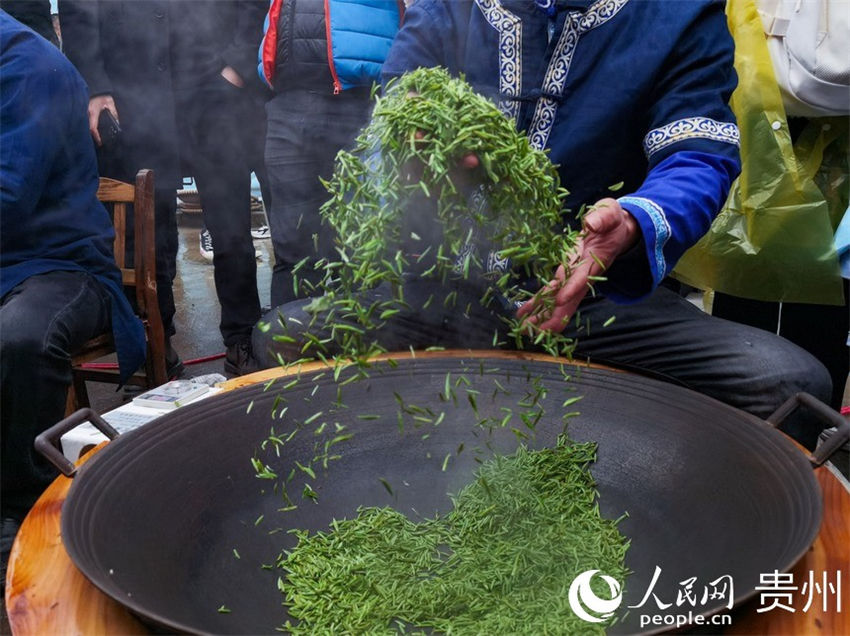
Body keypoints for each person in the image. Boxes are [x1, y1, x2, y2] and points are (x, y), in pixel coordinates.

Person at [254, 0, 832, 447]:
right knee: (281, 337)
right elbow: (400, 106)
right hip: (450, 288)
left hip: (590, 294)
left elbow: (698, 151)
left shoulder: (674, 11)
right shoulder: (454, 6)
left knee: (787, 383)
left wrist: (631, 219)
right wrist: (410, 158)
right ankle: (371, 481)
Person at [0, 9, 146, 578]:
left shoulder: (34, 69)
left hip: (59, 262)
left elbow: (10, 193)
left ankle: (21, 501)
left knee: (22, 339)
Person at [60, 0, 269, 376]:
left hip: (213, 92)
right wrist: (96, 86)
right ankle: (158, 340)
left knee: (231, 226)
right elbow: (79, 8)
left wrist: (237, 66)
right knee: (149, 232)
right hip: (133, 93)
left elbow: (254, 5)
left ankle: (241, 338)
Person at [259, 0, 404, 307]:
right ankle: (292, 348)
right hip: (289, 100)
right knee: (293, 249)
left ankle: (362, 347)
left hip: (360, 101)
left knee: (362, 244)